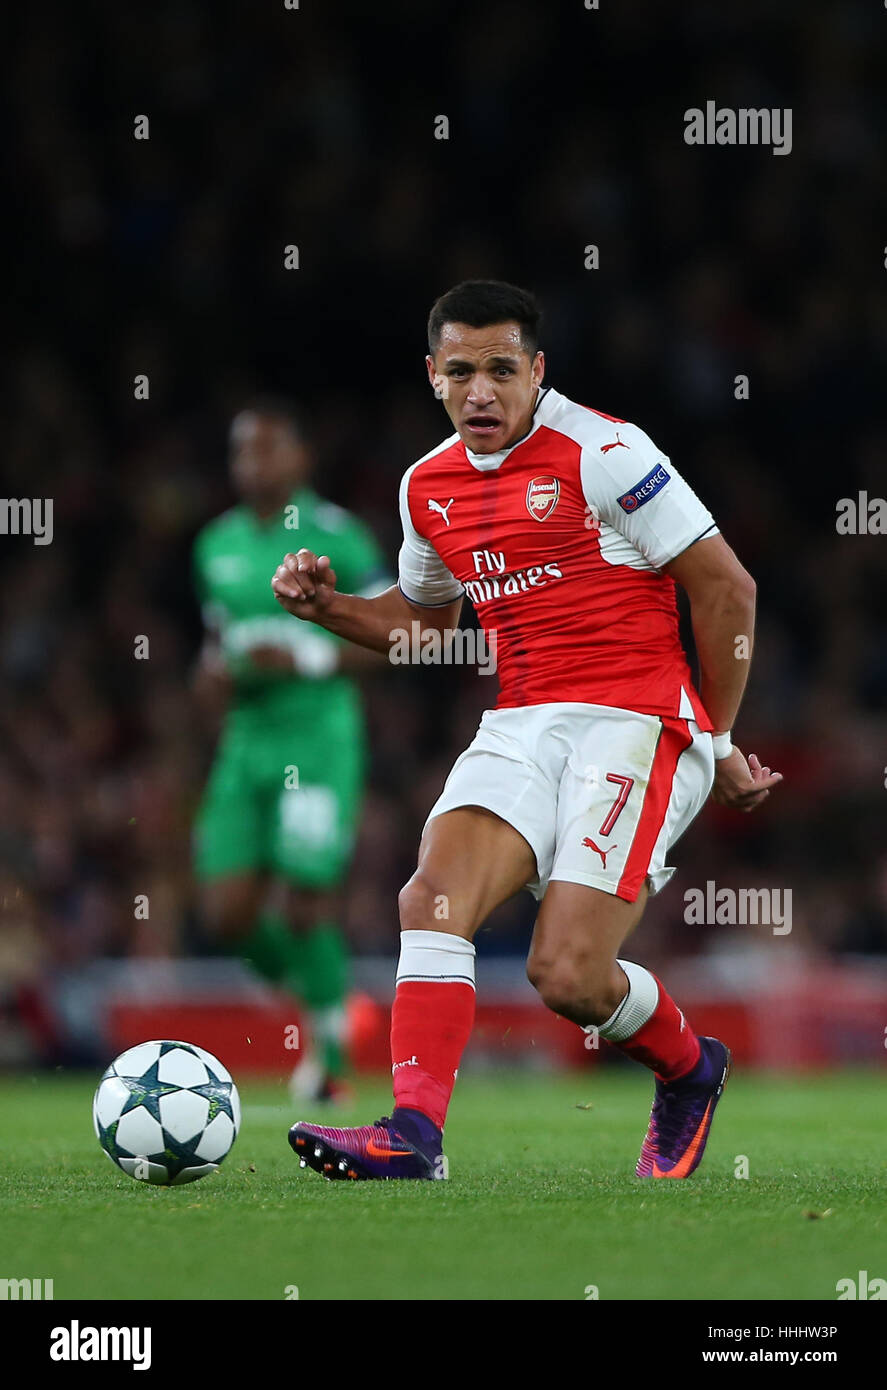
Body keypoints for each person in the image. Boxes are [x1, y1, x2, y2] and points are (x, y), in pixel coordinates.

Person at [270, 281, 782, 1178]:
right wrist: (330, 609)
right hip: (519, 721)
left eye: (501, 371)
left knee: (568, 977)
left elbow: (726, 588)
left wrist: (720, 739)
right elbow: (427, 626)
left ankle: (691, 1069)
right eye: (460, 371)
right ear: (432, 374)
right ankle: (412, 1135)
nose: (480, 392)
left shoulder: (607, 452)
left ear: (536, 371)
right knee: (430, 899)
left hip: (634, 718)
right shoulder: (426, 486)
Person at [193, 399, 388, 1101]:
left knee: (307, 901)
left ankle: (330, 1059)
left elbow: (398, 636)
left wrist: (303, 660)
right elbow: (215, 644)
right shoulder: (213, 545)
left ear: (301, 458)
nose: (254, 464)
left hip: (318, 737)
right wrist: (209, 678)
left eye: (269, 449)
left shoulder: (341, 536)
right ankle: (330, 1001)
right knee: (225, 916)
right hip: (245, 743)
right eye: (243, 451)